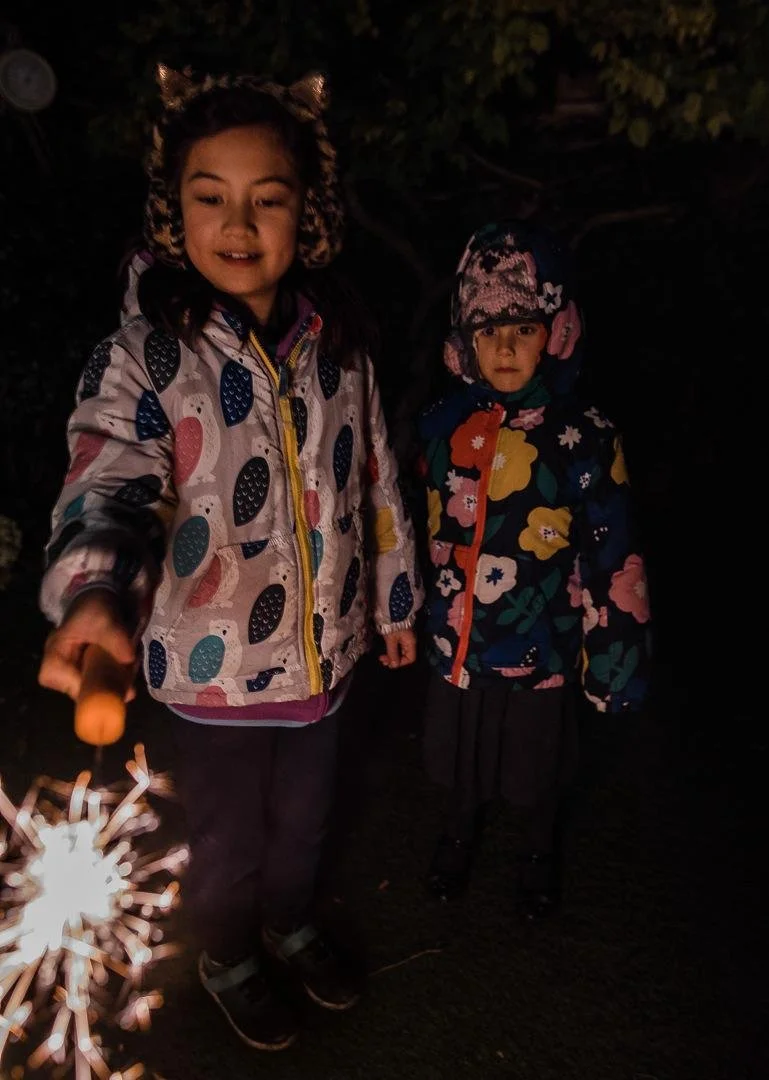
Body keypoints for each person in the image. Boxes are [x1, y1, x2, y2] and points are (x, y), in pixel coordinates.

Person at [37, 64, 423, 1051]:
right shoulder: (146, 355)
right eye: (211, 197)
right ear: (174, 213)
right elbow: (111, 474)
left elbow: (377, 479)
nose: (239, 223)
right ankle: (227, 950)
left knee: (302, 824)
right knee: (226, 842)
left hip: (323, 657)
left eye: (268, 200)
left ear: (309, 216)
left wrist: (396, 602)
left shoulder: (341, 348)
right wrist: (94, 590)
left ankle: (289, 921)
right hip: (206, 674)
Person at [418, 220, 651, 919]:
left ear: (556, 330)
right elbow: (420, 529)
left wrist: (613, 664)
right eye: (487, 331)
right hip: (456, 644)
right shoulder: (440, 427)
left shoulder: (585, 435)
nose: (506, 347)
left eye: (522, 327)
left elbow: (614, 553)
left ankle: (538, 848)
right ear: (463, 342)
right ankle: (458, 833)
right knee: (461, 754)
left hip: (542, 647)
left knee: (536, 763)